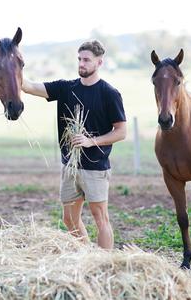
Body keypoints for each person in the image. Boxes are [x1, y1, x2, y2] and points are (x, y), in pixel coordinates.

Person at [22, 40, 126, 249]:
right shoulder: (65, 88)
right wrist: (15, 64)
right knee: (69, 219)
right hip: (69, 166)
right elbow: (29, 86)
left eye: (87, 60)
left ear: (99, 63)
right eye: (79, 59)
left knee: (100, 219)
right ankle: (88, 256)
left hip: (95, 167)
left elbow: (121, 132)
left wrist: (91, 142)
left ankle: (105, 265)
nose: (81, 64)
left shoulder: (109, 93)